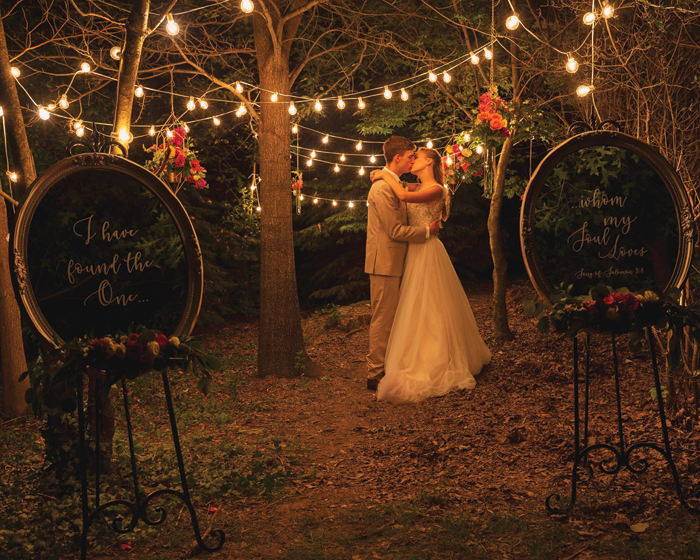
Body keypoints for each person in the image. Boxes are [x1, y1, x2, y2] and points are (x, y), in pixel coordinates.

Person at [372, 148, 491, 402]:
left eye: (418, 156)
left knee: (432, 303)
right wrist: (383, 175)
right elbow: (403, 188)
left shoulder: (436, 188)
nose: (413, 160)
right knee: (416, 306)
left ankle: (436, 355)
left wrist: (383, 175)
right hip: (414, 250)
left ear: (430, 161)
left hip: (427, 250)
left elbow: (402, 193)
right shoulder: (418, 186)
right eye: (411, 157)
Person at [365, 136, 440, 390]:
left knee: (394, 317)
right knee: (383, 317)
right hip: (384, 262)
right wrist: (427, 232)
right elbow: (395, 231)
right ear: (397, 157)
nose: (412, 160)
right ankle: (374, 373)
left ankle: (388, 365)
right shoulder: (383, 188)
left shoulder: (395, 184)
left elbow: (412, 194)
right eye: (410, 156)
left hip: (399, 260)